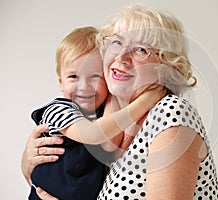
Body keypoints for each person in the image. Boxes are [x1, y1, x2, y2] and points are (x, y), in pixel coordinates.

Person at [22, 3, 218, 200]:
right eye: (116, 43)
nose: (121, 57)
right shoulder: (102, 115)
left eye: (141, 50)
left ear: (165, 67)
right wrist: (27, 163)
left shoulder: (170, 113)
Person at [27, 26, 163, 200]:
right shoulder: (57, 110)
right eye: (73, 77)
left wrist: (113, 94)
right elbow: (94, 133)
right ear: (61, 83)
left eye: (95, 77)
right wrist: (147, 100)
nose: (84, 87)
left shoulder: (105, 115)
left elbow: (109, 147)